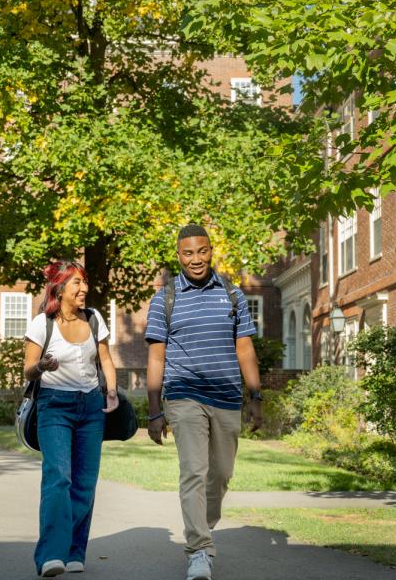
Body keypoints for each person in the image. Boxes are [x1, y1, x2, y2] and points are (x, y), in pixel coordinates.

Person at [145, 224, 263, 580]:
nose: (196, 259)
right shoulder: (164, 299)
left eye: (202, 251)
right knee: (194, 471)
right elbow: (155, 358)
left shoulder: (233, 294)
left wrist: (255, 396)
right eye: (187, 253)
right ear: (178, 255)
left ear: (211, 251)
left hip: (226, 396)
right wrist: (155, 410)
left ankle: (202, 530)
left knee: (221, 475)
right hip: (183, 395)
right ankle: (199, 549)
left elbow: (244, 348)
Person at [24, 260, 119, 577]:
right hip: (54, 407)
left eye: (85, 281)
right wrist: (42, 367)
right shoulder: (42, 323)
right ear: (60, 288)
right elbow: (28, 368)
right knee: (59, 477)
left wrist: (113, 391)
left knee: (85, 483)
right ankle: (51, 555)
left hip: (91, 407)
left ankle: (75, 551)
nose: (84, 288)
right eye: (77, 282)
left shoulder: (94, 318)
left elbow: (105, 359)